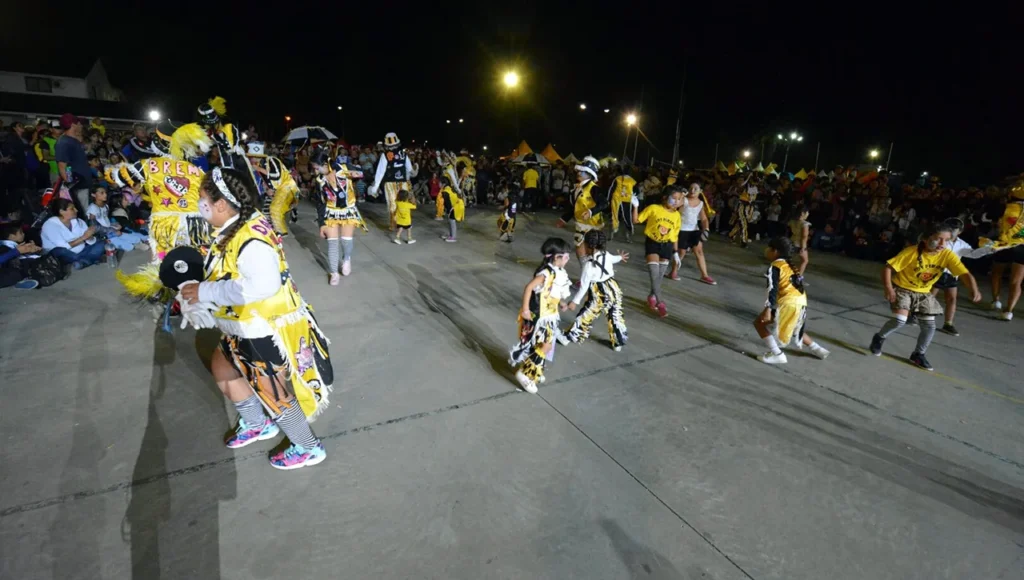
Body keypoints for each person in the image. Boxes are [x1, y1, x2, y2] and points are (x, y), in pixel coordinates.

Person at [178, 167, 334, 470]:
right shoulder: (238, 227)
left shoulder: (250, 237)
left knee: (274, 394)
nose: (199, 206)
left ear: (222, 204)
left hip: (262, 329)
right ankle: (256, 423)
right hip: (243, 323)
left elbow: (262, 286)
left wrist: (206, 291)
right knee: (223, 368)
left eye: (203, 200)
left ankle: (308, 446)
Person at [868, 222, 982, 371]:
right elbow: (888, 268)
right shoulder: (911, 252)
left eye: (947, 240)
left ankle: (918, 354)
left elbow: (964, 273)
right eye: (938, 238)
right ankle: (879, 337)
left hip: (923, 292)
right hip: (902, 288)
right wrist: (889, 288)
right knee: (899, 320)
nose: (943, 243)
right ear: (925, 239)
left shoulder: (947, 254)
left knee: (929, 326)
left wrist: (973, 288)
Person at [508, 237, 573, 393]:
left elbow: (552, 293)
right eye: (565, 257)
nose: (567, 260)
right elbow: (529, 287)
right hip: (538, 316)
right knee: (546, 345)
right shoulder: (546, 273)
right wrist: (525, 309)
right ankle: (524, 374)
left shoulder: (559, 272)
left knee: (541, 345)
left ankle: (533, 369)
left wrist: (561, 303)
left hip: (549, 316)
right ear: (556, 257)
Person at [754, 237, 830, 364]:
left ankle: (777, 353)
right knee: (795, 327)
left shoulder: (775, 267)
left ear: (776, 251)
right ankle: (818, 349)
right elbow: (798, 280)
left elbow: (772, 289)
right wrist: (804, 262)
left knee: (759, 323)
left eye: (769, 248)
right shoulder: (790, 265)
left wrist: (768, 308)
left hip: (787, 302)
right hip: (801, 302)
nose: (766, 250)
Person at [557, 230, 628, 351]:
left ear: (588, 246)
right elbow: (614, 259)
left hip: (599, 293)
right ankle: (618, 341)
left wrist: (575, 301)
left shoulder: (589, 265)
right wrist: (620, 257)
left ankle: (568, 338)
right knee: (615, 314)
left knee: (586, 315)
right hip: (613, 288)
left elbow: (584, 286)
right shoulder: (606, 254)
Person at [311, 150, 366, 284]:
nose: (315, 171)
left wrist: (356, 174)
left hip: (348, 210)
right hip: (331, 211)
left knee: (346, 241)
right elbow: (320, 203)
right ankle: (334, 273)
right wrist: (322, 224)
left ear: (325, 164)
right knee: (332, 243)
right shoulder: (319, 180)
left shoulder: (344, 168)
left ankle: (346, 258)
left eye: (316, 168)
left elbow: (364, 174)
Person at [633, 184, 683, 317]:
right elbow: (636, 220)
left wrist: (676, 252)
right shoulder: (654, 208)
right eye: (674, 198)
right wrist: (635, 206)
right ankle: (661, 303)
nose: (677, 202)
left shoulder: (677, 215)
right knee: (654, 276)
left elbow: (675, 235)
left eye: (679, 199)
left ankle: (652, 297)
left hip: (667, 246)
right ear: (665, 197)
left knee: (659, 279)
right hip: (653, 244)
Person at [557, 156, 607, 265]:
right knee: (580, 248)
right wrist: (564, 219)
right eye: (579, 171)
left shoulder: (594, 188)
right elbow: (573, 206)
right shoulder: (576, 188)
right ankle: (585, 273)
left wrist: (590, 212)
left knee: (592, 251)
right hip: (580, 224)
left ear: (589, 174)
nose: (579, 173)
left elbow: (604, 203)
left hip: (594, 225)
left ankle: (593, 275)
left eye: (582, 171)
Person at [988, 179, 1024, 321]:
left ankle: (996, 300)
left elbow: (997, 223)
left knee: (997, 272)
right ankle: (1008, 311)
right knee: (1016, 280)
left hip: (1004, 243)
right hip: (1022, 246)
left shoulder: (1006, 207)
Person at [929, 218, 973, 336]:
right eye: (950, 228)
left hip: (952, 274)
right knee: (930, 295)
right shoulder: (941, 240)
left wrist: (988, 249)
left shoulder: (962, 244)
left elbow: (973, 254)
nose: (952, 231)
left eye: (955, 229)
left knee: (952, 299)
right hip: (937, 271)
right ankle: (917, 315)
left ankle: (948, 323)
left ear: (960, 231)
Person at [668, 182, 716, 285]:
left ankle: (704, 275)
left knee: (699, 252)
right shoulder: (684, 200)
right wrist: (680, 196)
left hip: (694, 230)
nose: (692, 190)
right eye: (691, 188)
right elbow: (673, 205)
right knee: (681, 253)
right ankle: (673, 272)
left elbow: (703, 219)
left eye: (695, 188)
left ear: (700, 191)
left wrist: (706, 229)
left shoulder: (701, 203)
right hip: (682, 230)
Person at [369, 132, 415, 231]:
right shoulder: (403, 154)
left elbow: (380, 172)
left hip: (392, 183)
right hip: (401, 183)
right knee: (402, 203)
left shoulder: (385, 155)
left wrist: (375, 187)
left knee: (393, 204)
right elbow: (410, 169)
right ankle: (403, 224)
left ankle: (396, 225)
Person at [41, 198, 104, 268]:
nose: (76, 210)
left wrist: (90, 236)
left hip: (80, 250)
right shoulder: (50, 225)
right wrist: (83, 238)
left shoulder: (79, 221)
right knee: (59, 251)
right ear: (61, 211)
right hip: (61, 254)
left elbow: (90, 242)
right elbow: (63, 246)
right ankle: (87, 260)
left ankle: (83, 261)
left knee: (100, 243)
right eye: (72, 209)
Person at [86, 183, 149, 252]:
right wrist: (112, 231)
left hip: (111, 230)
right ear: (93, 195)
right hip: (104, 234)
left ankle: (137, 243)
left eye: (105, 192)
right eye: (102, 193)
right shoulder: (92, 208)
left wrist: (115, 224)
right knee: (129, 247)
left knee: (136, 239)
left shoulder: (105, 206)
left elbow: (107, 220)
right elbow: (94, 227)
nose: (105, 195)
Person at [54, 114, 92, 215]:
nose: (81, 125)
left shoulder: (73, 140)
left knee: (83, 212)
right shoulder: (63, 142)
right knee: (79, 213)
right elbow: (63, 165)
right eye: (78, 123)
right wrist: (70, 182)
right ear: (73, 124)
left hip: (81, 184)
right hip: (76, 186)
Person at [608, 167, 637, 243]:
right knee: (627, 216)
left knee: (614, 214)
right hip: (627, 199)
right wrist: (633, 196)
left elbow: (611, 189)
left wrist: (608, 199)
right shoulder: (632, 181)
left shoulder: (617, 178)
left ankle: (614, 230)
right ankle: (629, 232)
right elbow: (636, 190)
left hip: (616, 198)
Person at [439, 172, 464, 242]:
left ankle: (453, 237)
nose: (439, 184)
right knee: (450, 221)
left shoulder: (445, 192)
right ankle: (451, 235)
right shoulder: (448, 188)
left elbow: (448, 203)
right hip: (456, 205)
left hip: (455, 207)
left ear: (443, 184)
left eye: (440, 183)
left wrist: (449, 211)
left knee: (452, 222)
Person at [788, 205, 811, 275]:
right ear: (803, 213)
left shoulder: (792, 221)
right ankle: (798, 277)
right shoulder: (804, 224)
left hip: (791, 241)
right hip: (799, 244)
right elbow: (804, 237)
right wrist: (803, 248)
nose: (808, 214)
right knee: (805, 261)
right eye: (807, 212)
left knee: (787, 259)